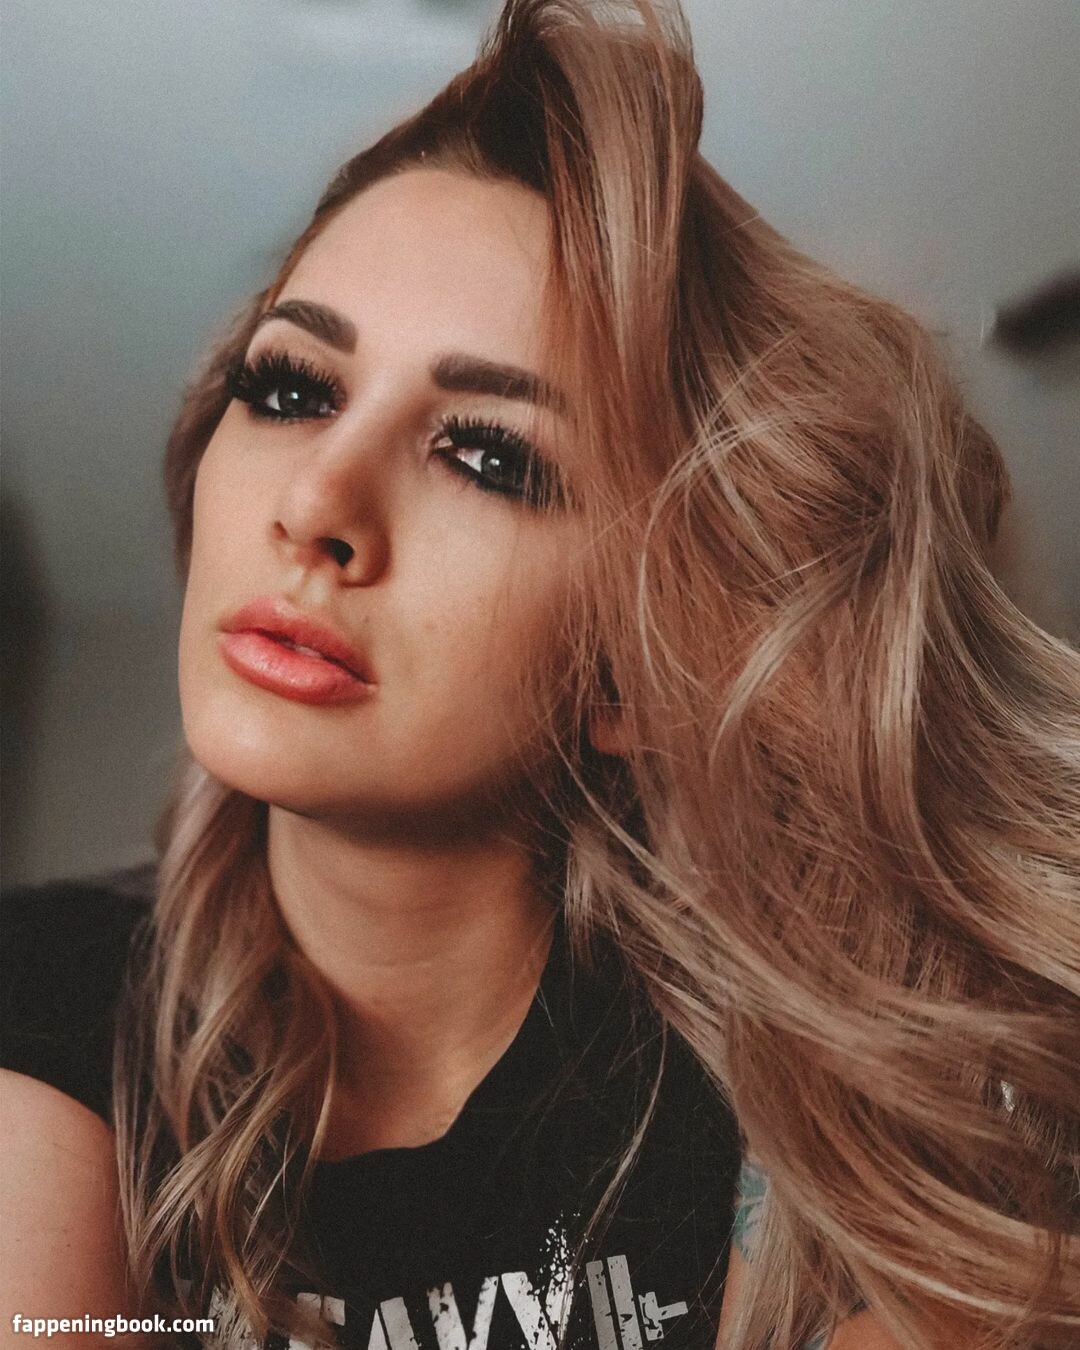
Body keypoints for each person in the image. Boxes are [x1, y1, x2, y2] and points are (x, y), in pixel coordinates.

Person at [2, 1, 1078, 1347]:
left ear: (638, 670)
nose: (318, 502)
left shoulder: (823, 1106)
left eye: (489, 457)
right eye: (291, 388)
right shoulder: (41, 1005)